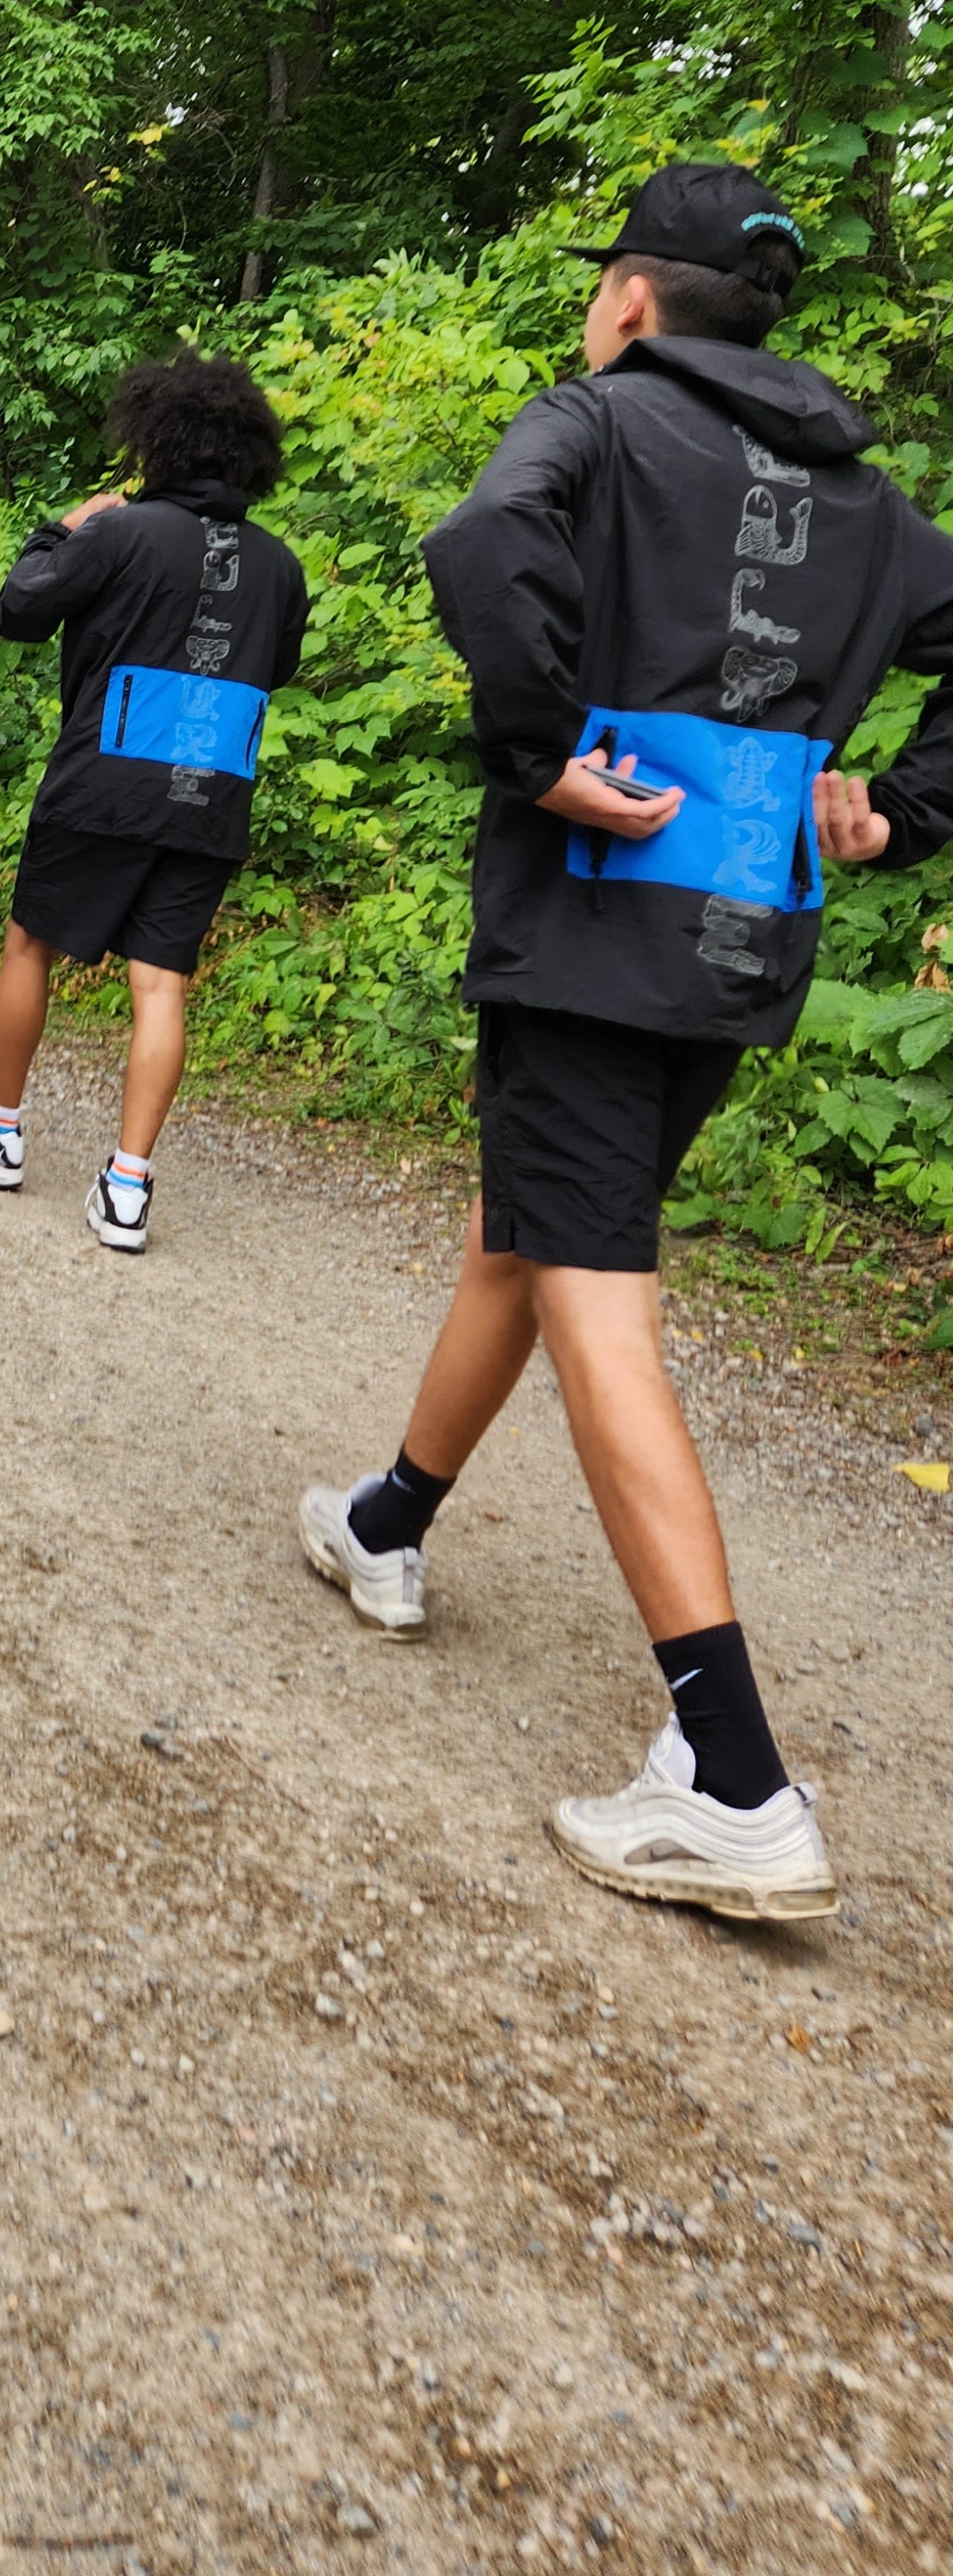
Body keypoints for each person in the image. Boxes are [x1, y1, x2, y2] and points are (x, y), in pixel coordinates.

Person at [300, 160, 953, 1922]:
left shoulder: (599, 424)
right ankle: (388, 1521)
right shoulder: (877, 505)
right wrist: (900, 807)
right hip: (744, 938)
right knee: (531, 1228)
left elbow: (478, 543)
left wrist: (536, 750)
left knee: (596, 1290)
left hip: (593, 919)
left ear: (634, 299)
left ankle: (732, 1772)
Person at [0, 350, 310, 1250]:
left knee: (31, 942)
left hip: (103, 781)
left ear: (153, 440)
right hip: (211, 791)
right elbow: (276, 668)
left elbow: (20, 610)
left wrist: (60, 530)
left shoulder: (120, 533)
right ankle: (128, 1188)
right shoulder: (280, 565)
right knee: (162, 981)